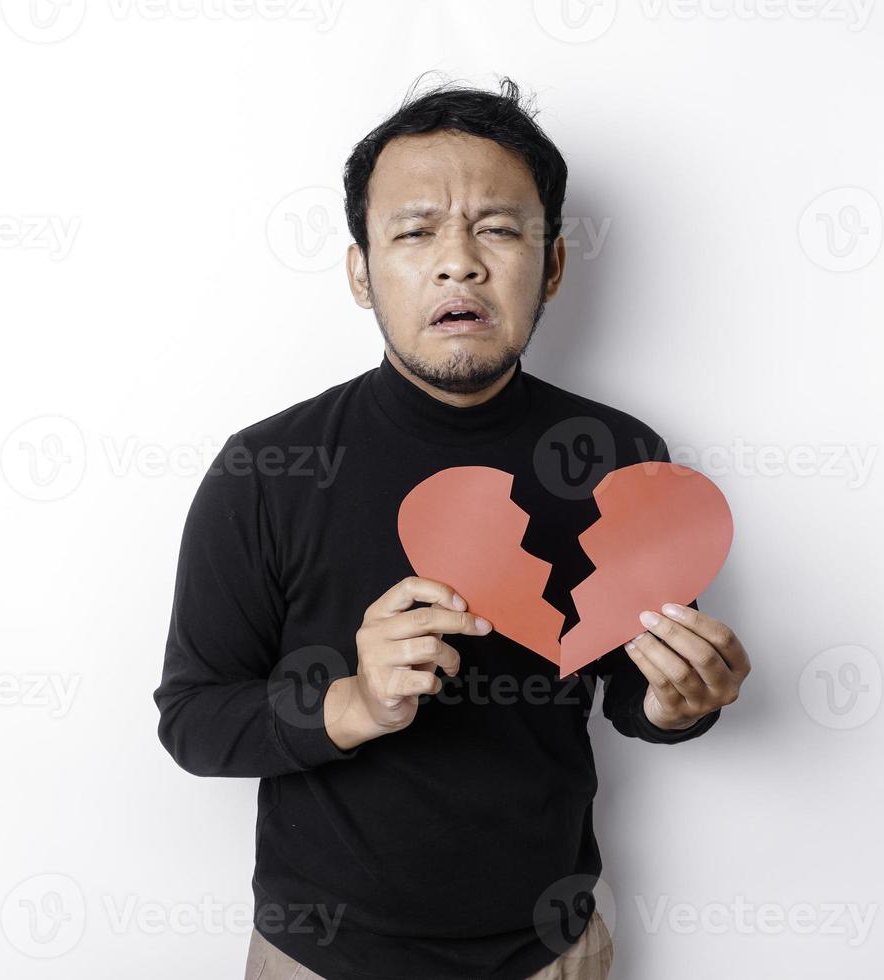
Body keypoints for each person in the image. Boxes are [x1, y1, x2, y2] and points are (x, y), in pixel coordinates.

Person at [153, 74, 752, 980]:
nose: (459, 262)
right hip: (318, 958)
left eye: (499, 228)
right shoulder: (265, 470)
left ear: (551, 266)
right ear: (361, 271)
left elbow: (635, 697)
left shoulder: (623, 455)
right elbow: (193, 720)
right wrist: (353, 703)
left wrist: (678, 704)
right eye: (415, 229)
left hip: (551, 951)